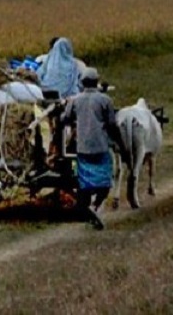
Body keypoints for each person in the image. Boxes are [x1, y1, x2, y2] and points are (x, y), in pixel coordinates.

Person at [60, 68, 121, 230]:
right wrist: (119, 141)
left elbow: (65, 118)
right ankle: (95, 206)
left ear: (82, 83)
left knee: (84, 181)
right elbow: (112, 124)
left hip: (82, 148)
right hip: (101, 147)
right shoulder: (105, 100)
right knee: (105, 181)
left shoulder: (75, 100)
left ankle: (86, 208)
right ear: (97, 82)